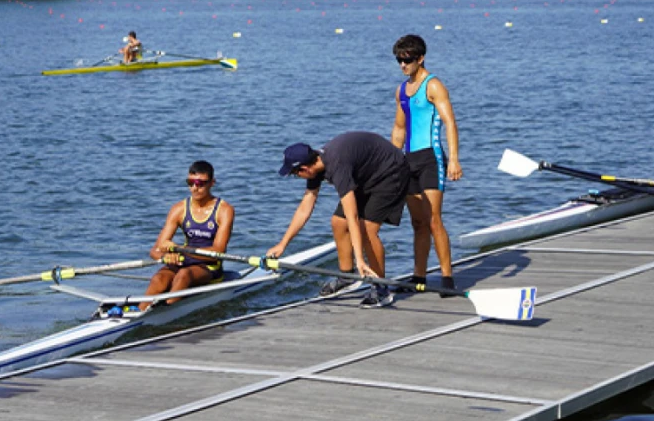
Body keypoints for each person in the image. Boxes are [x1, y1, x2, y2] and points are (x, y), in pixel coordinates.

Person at [267, 132, 409, 308]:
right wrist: (283, 244)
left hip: (391, 172)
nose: (298, 178)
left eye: (296, 174)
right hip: (365, 175)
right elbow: (305, 208)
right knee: (337, 222)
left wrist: (360, 259)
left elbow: (353, 216)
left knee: (367, 230)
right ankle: (347, 276)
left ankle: (381, 288)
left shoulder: (337, 165)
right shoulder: (316, 165)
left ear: (305, 169)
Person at [390, 34, 461, 291]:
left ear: (420, 58)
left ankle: (447, 278)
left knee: (433, 220)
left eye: (407, 60)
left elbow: (450, 123)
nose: (402, 65)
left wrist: (453, 159)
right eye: (399, 60)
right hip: (409, 161)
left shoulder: (434, 86)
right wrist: (390, 162)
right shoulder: (401, 90)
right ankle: (418, 277)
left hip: (432, 159)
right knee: (417, 222)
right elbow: (399, 129)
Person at [144, 161, 235, 308]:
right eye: (190, 182)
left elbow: (218, 251)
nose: (194, 188)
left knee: (184, 275)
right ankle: (138, 313)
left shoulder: (224, 210)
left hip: (209, 266)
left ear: (212, 183)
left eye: (200, 183)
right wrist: (166, 256)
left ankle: (169, 311)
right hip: (184, 259)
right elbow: (155, 250)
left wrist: (179, 250)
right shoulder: (178, 209)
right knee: (159, 278)